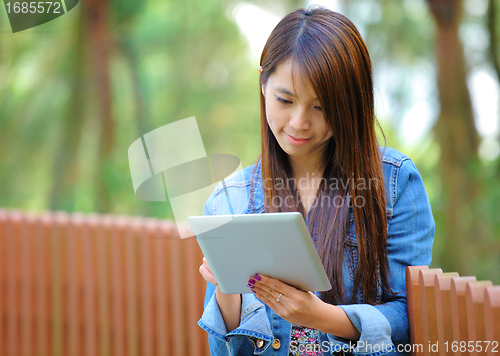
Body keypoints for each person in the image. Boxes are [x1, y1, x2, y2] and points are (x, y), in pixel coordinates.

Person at [198, 5, 434, 356]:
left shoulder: (394, 183)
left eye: (320, 107)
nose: (298, 122)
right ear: (263, 84)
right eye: (285, 100)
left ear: (351, 104)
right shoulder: (230, 199)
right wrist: (227, 285)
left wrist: (323, 317)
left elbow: (411, 317)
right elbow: (224, 350)